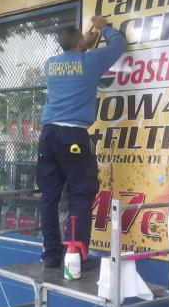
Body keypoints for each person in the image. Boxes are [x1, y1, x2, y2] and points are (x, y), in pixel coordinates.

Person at [36, 16, 127, 268]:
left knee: (49, 196)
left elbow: (72, 60)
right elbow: (119, 45)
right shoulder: (89, 62)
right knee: (81, 194)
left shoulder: (50, 64)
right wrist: (103, 27)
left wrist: (82, 44)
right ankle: (75, 256)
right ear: (80, 42)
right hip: (74, 135)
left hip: (49, 135)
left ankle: (51, 254)